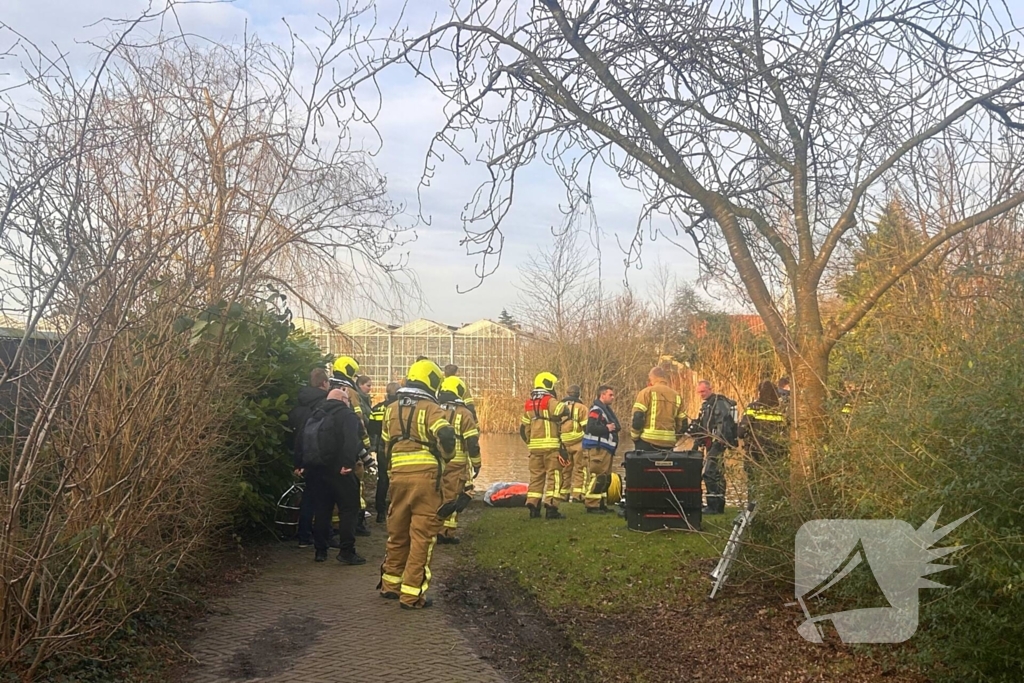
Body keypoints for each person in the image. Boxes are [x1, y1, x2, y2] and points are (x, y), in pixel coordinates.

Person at [379, 359, 456, 609]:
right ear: (432, 381)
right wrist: (446, 456)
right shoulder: (430, 407)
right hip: (426, 479)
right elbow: (445, 433)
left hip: (398, 477)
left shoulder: (391, 408)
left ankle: (390, 585)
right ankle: (412, 595)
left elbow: (384, 446)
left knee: (397, 532)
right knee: (422, 536)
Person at [301, 389, 366, 565]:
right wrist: (348, 464)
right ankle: (347, 552)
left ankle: (320, 551)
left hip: (316, 470)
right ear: (343, 399)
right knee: (349, 509)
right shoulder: (347, 415)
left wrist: (300, 464)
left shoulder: (315, 413)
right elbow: (350, 441)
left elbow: (302, 439)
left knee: (322, 510)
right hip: (340, 470)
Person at [287, 367, 330, 548]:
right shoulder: (324, 404)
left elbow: (294, 435)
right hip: (320, 456)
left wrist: (297, 461)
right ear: (323, 383)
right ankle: (323, 536)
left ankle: (304, 536)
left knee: (308, 497)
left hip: (303, 456)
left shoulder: (299, 406)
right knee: (325, 498)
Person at [436, 375, 481, 544]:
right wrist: (477, 463)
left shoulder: (434, 408)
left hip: (436, 461)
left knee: (438, 495)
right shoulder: (463, 413)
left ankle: (434, 529)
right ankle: (446, 532)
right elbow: (472, 442)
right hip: (457, 461)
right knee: (452, 497)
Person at [688, 379, 738, 515]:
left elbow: (723, 426)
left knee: (709, 473)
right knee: (716, 473)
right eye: (699, 392)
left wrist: (718, 443)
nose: (701, 394)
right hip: (711, 443)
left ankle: (714, 506)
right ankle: (717, 505)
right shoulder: (707, 406)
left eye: (703, 391)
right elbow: (705, 427)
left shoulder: (719, 404)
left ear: (710, 389)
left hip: (718, 444)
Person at [520, 371, 566, 519]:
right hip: (551, 448)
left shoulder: (529, 403)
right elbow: (561, 410)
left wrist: (530, 442)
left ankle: (533, 505)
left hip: (534, 449)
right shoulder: (549, 401)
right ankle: (552, 508)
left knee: (536, 477)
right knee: (555, 477)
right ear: (549, 384)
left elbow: (524, 428)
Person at [738, 380, 787, 503]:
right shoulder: (781, 409)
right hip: (777, 451)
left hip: (756, 449)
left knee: (753, 479)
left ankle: (752, 507)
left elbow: (741, 431)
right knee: (776, 480)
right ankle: (773, 505)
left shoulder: (753, 407)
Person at [630, 367, 688, 451]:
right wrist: (674, 438)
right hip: (668, 444)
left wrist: (635, 437)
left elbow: (638, 417)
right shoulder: (677, 396)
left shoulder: (646, 392)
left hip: (647, 441)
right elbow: (683, 423)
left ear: (652, 377)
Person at [582, 385, 620, 513]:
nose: (613, 397)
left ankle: (601, 503)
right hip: (597, 449)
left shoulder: (605, 410)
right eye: (610, 395)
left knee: (605, 477)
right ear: (602, 395)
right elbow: (591, 428)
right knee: (597, 476)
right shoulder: (596, 410)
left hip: (606, 449)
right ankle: (592, 505)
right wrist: (606, 429)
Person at [369, 382, 400, 523]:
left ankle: (380, 512)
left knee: (383, 480)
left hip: (382, 448)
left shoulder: (377, 408)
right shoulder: (401, 408)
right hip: (399, 449)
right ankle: (397, 510)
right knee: (398, 480)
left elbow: (372, 431)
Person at [353, 374, 375, 536]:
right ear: (359, 385)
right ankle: (358, 522)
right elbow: (362, 422)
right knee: (357, 485)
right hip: (360, 446)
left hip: (362, 446)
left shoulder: (364, 399)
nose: (370, 388)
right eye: (368, 385)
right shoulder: (357, 399)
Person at [558, 385, 587, 502]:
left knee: (564, 470)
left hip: (563, 443)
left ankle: (563, 495)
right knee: (580, 469)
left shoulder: (558, 407)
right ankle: (578, 496)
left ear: (567, 393)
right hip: (578, 442)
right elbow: (586, 427)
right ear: (578, 394)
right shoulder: (582, 408)